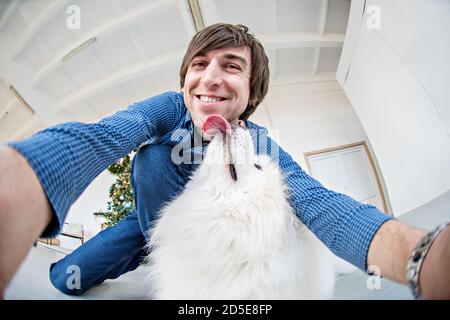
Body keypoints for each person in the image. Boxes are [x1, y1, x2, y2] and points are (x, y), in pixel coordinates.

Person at [0, 24, 448, 299]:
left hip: (214, 238)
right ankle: (159, 252)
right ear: (184, 81)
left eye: (231, 66)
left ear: (251, 92)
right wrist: (25, 177)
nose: (210, 79)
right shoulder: (166, 108)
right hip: (150, 228)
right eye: (199, 65)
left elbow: (317, 202)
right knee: (67, 279)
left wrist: (420, 256)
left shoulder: (256, 142)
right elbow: (106, 137)